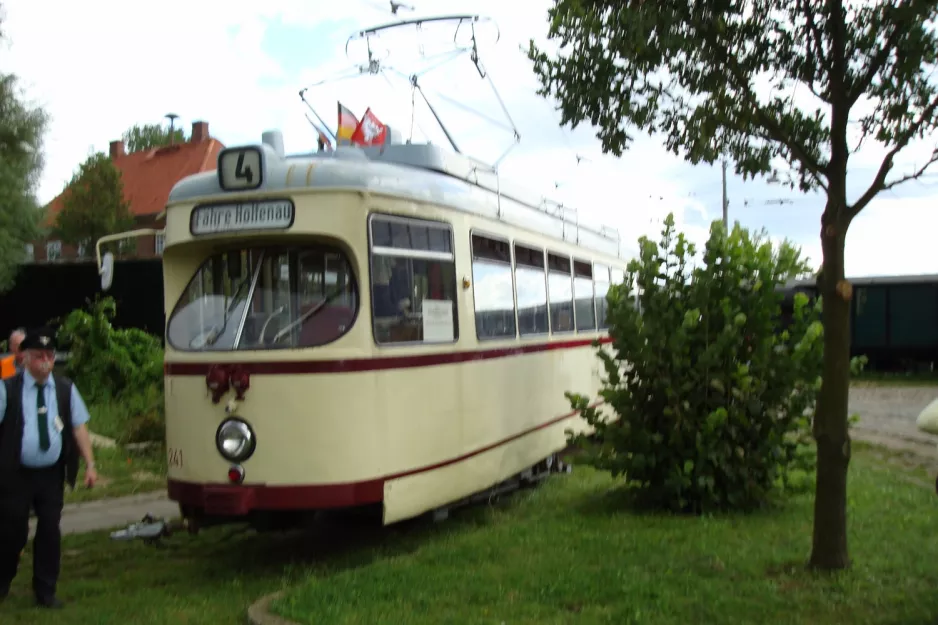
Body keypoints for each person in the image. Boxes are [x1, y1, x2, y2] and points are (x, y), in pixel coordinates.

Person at [0, 326, 98, 609]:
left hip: (51, 474)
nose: (46, 361)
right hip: (16, 475)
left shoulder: (65, 389)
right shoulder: (8, 389)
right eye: (39, 356)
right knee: (12, 531)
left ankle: (45, 590)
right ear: (25, 360)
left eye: (50, 356)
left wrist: (90, 464)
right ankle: (3, 577)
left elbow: (79, 428)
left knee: (50, 530)